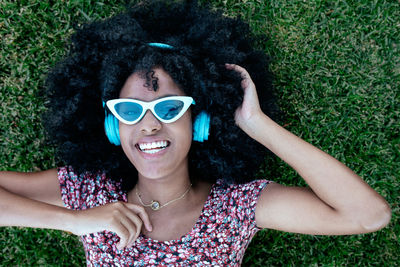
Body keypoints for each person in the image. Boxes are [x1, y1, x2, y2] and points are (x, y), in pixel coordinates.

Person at [0, 0, 391, 266]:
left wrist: (257, 125)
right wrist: (74, 221)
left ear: (199, 121)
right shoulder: (90, 194)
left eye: (170, 108)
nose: (149, 124)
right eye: (129, 111)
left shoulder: (235, 207)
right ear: (111, 125)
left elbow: (367, 215)